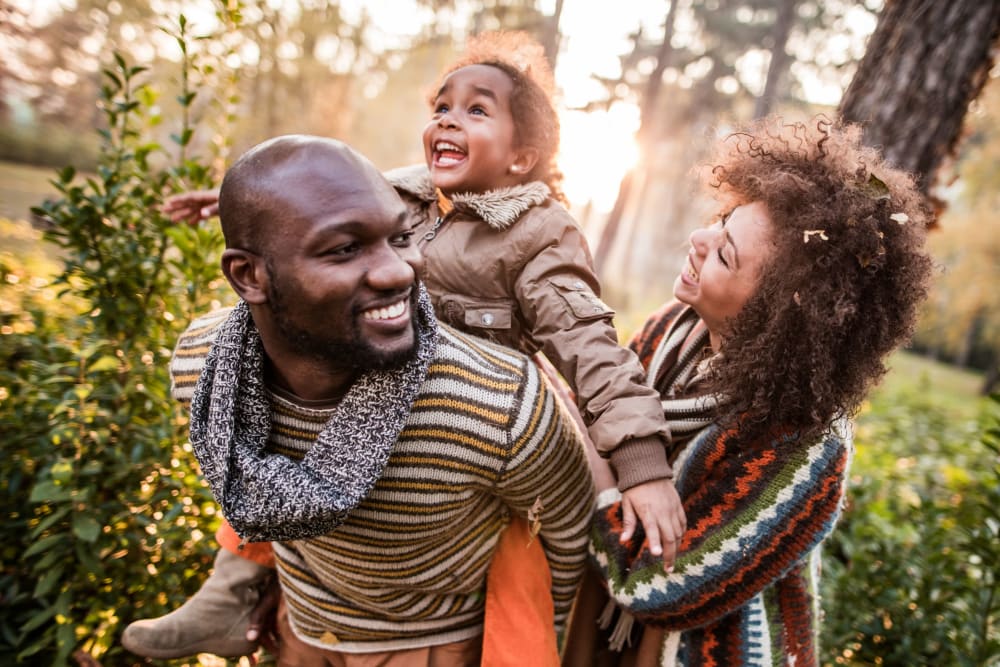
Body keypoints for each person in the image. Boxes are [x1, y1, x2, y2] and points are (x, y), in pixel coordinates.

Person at [124, 31, 683, 661]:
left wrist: (641, 461)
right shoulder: (405, 193)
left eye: (477, 110)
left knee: (547, 515)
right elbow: (306, 206)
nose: (448, 119)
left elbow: (591, 345)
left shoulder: (539, 233)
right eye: (442, 107)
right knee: (263, 419)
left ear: (522, 156)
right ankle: (228, 590)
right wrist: (235, 206)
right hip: (368, 370)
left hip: (462, 403)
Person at [128, 134, 594, 666]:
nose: (399, 271)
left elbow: (565, 535)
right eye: (345, 248)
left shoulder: (497, 402)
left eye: (400, 238)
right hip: (299, 632)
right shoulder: (204, 365)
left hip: (426, 648)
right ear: (248, 275)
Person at [561, 117, 934, 667]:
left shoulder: (804, 447)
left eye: (725, 254)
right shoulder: (673, 328)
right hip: (605, 641)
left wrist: (599, 470)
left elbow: (659, 588)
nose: (699, 239)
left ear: (774, 318)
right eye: (722, 222)